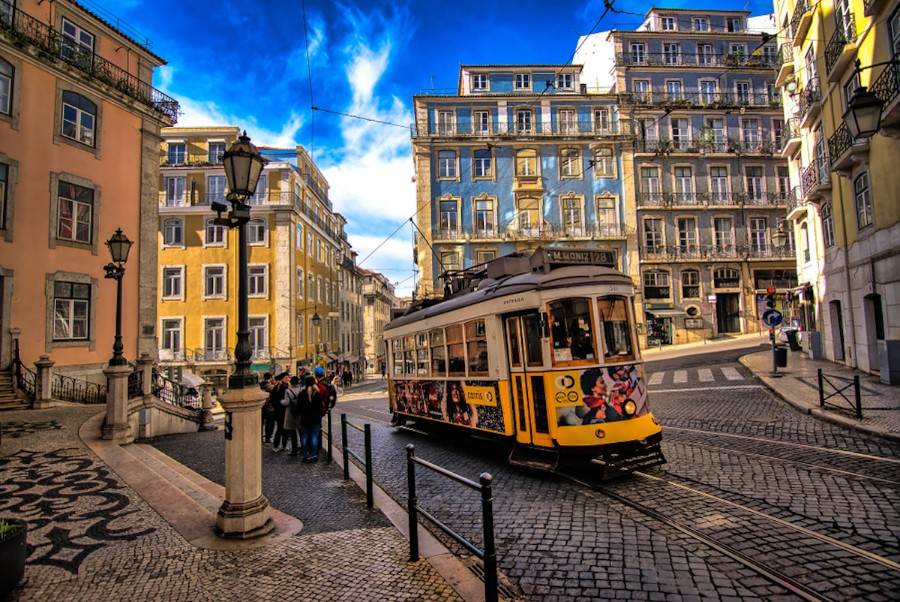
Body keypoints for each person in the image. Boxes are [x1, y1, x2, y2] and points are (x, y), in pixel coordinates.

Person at [298, 375, 323, 461]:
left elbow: (299, 406)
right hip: (315, 419)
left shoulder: (301, 394)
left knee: (304, 436)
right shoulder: (317, 394)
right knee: (314, 436)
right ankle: (313, 455)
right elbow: (320, 408)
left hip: (304, 418)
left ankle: (304, 455)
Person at [280, 375, 302, 456]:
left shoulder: (288, 391)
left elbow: (286, 402)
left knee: (293, 432)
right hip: (300, 412)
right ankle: (303, 448)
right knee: (301, 431)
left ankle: (294, 450)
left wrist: (281, 401)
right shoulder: (301, 390)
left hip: (291, 412)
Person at [269, 371, 290, 452]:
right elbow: (273, 400)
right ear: (281, 379)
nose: (287, 379)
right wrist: (280, 402)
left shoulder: (288, 386)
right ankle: (276, 445)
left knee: (286, 429)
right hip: (279, 411)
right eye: (286, 378)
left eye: (288, 377)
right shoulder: (277, 388)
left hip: (287, 411)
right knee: (280, 428)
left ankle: (284, 444)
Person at [259, 372, 275, 444]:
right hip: (269, 408)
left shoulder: (259, 386)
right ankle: (268, 438)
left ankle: (260, 438)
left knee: (261, 424)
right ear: (270, 378)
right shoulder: (271, 387)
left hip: (261, 407)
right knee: (269, 424)